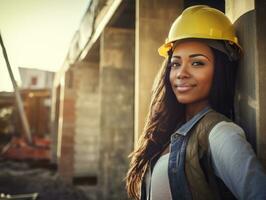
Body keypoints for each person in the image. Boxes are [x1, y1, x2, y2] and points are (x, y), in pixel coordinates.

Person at [126, 5, 266, 200]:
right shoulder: (173, 130)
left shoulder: (219, 132)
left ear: (220, 70)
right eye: (175, 63)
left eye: (197, 62)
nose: (181, 73)